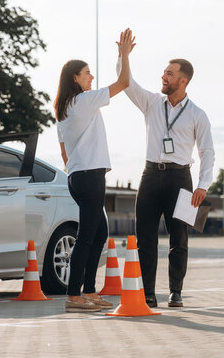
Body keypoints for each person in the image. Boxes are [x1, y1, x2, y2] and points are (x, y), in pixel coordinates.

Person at [116, 37, 215, 308]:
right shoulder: (151, 103)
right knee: (145, 239)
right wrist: (123, 55)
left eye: (169, 74)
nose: (163, 76)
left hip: (180, 179)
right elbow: (127, 84)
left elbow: (207, 152)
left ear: (182, 81)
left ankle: (176, 291)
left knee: (179, 238)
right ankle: (148, 293)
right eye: (164, 72)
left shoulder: (198, 115)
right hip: (150, 176)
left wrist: (203, 185)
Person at [55, 28, 136, 312]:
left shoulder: (64, 108)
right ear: (75, 78)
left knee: (99, 233)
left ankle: (88, 291)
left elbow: (65, 153)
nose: (91, 77)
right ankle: (74, 296)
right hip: (89, 176)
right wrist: (124, 55)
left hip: (78, 176)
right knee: (87, 237)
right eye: (87, 73)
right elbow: (124, 82)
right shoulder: (84, 101)